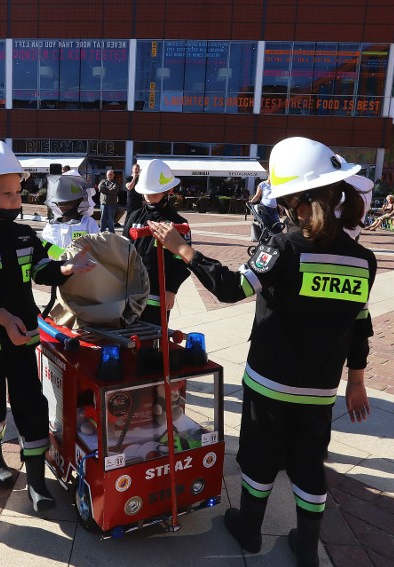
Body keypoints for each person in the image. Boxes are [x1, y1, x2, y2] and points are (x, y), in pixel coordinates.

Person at [149, 137, 374, 567]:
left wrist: (183, 250)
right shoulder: (362, 259)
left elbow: (233, 288)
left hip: (270, 381)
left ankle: (249, 528)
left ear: (294, 202)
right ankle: (306, 547)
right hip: (321, 388)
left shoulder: (285, 246)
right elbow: (360, 324)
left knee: (260, 456)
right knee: (309, 464)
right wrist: (357, 381)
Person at [0, 141, 95, 509]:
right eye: (6, 192)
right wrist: (3, 318)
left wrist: (66, 268)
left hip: (22, 341)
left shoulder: (25, 235)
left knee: (31, 404)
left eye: (18, 191)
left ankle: (36, 480)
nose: (16, 199)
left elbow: (40, 269)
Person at [123, 159, 191, 326]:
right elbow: (122, 249)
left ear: (168, 191)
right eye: (146, 192)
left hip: (157, 293)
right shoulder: (134, 216)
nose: (148, 196)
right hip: (129, 290)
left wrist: (172, 290)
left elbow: (181, 261)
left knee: (154, 339)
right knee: (127, 337)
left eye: (154, 192)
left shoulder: (178, 223)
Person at [41, 172, 99, 258]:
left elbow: (97, 250)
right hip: (58, 270)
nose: (63, 206)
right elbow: (44, 254)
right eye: (60, 202)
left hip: (82, 270)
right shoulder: (51, 227)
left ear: (79, 201)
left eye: (68, 202)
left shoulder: (88, 224)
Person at [97, 169, 119, 233]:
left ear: (114, 175)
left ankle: (111, 233)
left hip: (112, 204)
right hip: (103, 203)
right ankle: (102, 232)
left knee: (111, 219)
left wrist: (105, 189)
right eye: (109, 174)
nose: (110, 175)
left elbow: (114, 190)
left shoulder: (116, 183)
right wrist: (109, 188)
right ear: (106, 175)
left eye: (111, 174)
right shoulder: (102, 181)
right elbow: (100, 188)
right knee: (103, 219)